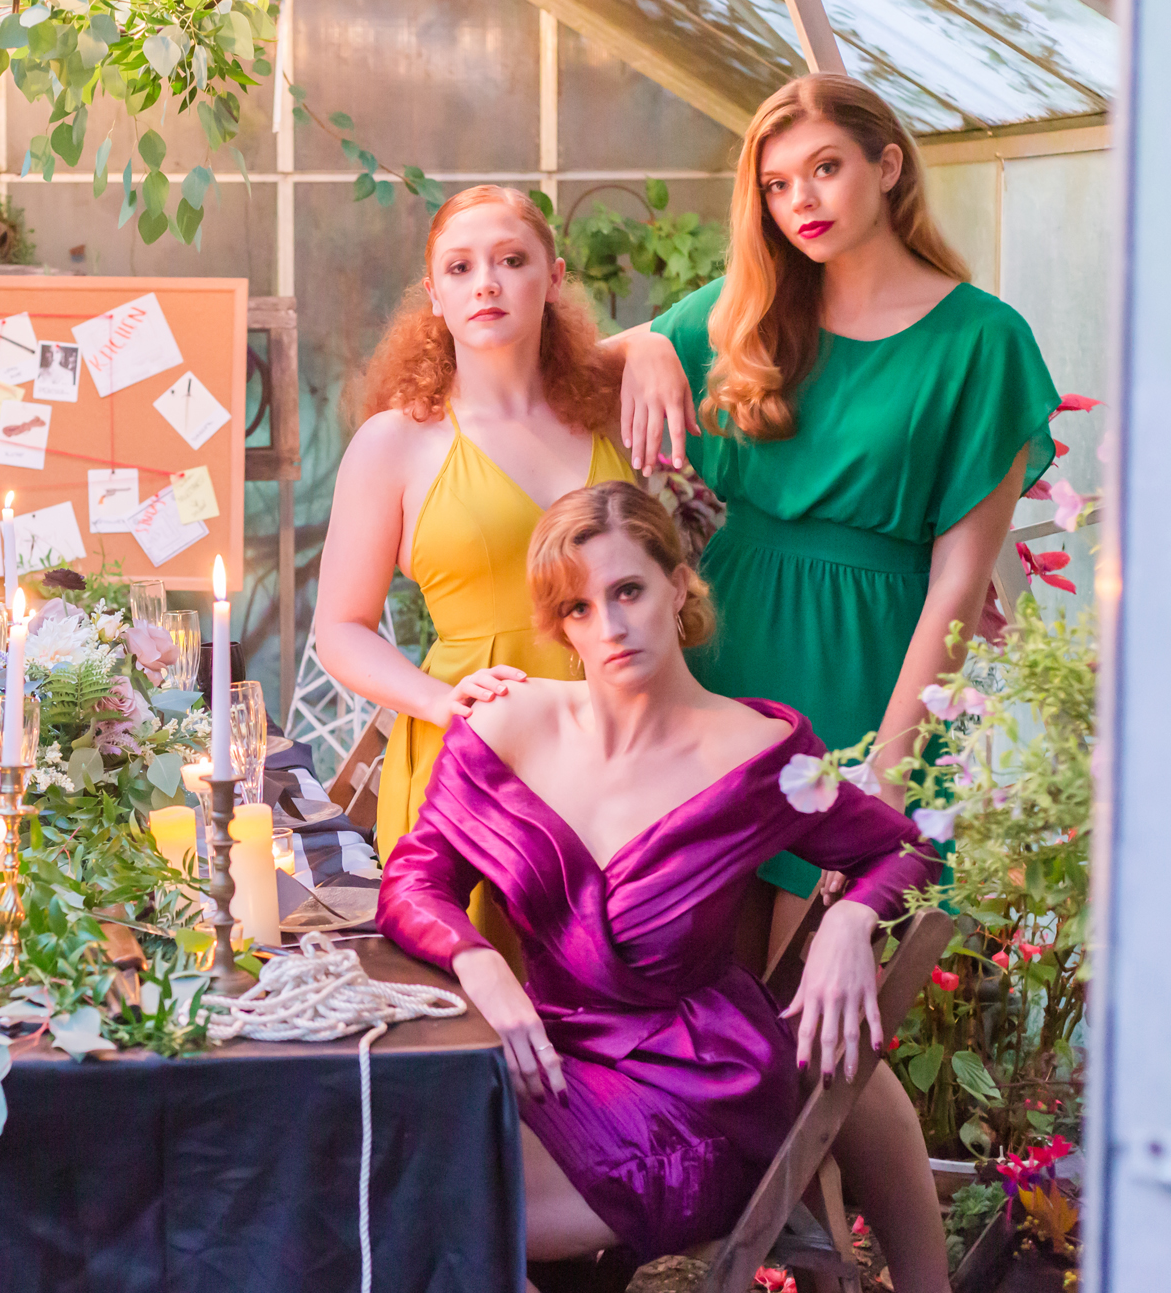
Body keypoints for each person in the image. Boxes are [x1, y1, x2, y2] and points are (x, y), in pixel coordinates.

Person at [378, 482, 946, 1289]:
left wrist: (852, 919)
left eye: (628, 591)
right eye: (578, 607)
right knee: (381, 1155)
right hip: (546, 1058)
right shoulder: (506, 726)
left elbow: (905, 849)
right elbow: (412, 879)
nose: (608, 626)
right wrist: (479, 962)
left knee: (441, 1205)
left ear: (677, 587)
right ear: (558, 625)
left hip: (698, 1087)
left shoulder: (757, 754)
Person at [608, 74, 1058, 901]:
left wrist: (888, 775)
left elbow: (957, 585)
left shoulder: (982, 340)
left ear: (886, 166)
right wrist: (644, 345)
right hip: (724, 654)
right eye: (775, 185)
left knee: (834, 954)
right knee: (697, 956)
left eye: (824, 168)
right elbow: (560, 373)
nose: (800, 202)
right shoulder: (741, 310)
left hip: (876, 667)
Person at [312, 184, 636, 879]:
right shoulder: (396, 442)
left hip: (620, 749)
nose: (486, 282)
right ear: (435, 295)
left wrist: (658, 349)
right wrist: (438, 701)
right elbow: (339, 629)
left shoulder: (610, 413)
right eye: (459, 268)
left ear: (553, 279)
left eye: (511, 260)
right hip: (474, 755)